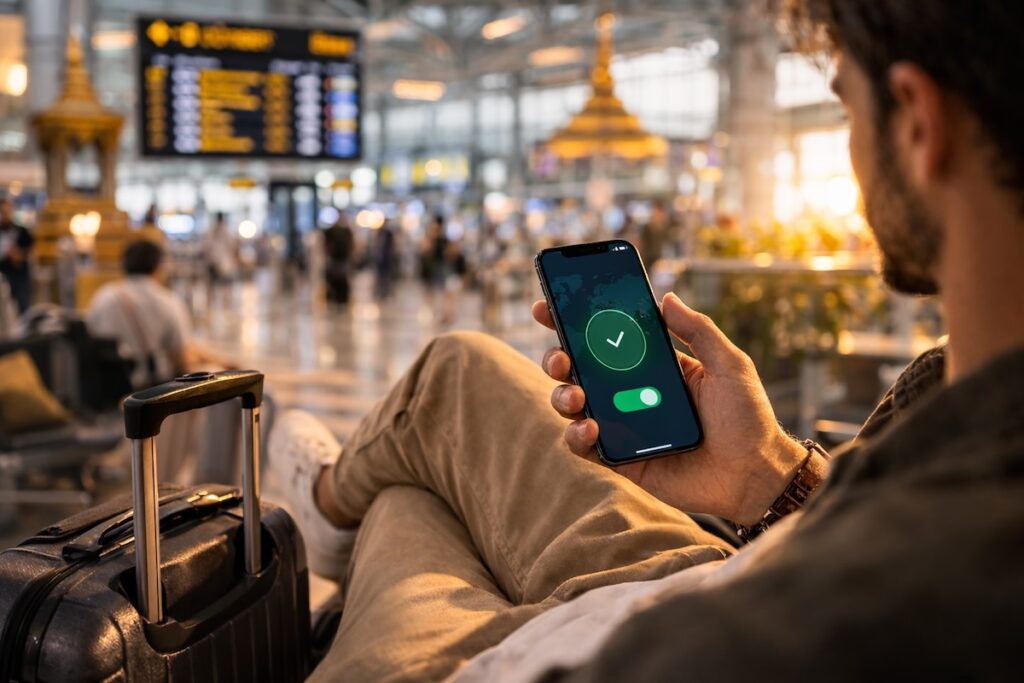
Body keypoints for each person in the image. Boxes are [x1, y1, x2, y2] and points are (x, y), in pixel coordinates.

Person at [270, 1, 1024, 680]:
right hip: (733, 563)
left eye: (847, 107)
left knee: (410, 492)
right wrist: (767, 475)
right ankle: (336, 508)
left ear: (919, 124)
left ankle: (333, 508)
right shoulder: (967, 435)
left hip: (648, 624)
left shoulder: (802, 629)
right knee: (453, 376)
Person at [87, 239, 224, 389]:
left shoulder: (103, 296)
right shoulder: (168, 302)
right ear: (158, 267)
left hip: (106, 387)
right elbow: (181, 358)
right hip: (148, 390)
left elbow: (91, 335)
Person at [0, 196, 34, 313]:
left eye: (7, 211)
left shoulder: (22, 231)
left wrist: (19, 254)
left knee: (23, 304)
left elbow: (31, 248)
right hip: (3, 273)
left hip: (20, 274)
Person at [323, 214, 355, 305]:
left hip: (341, 260)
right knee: (335, 280)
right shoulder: (330, 232)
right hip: (335, 260)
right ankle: (337, 298)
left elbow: (350, 246)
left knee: (341, 279)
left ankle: (341, 299)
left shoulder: (346, 232)